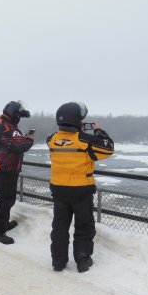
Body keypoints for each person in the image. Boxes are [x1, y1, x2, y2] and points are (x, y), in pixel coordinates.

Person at [46, 102, 114, 273]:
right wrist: (98, 131)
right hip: (81, 190)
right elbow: (108, 148)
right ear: (77, 121)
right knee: (84, 226)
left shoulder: (51, 139)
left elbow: (65, 140)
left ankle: (58, 261)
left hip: (59, 189)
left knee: (60, 226)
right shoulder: (86, 141)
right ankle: (82, 259)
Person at [0, 101, 34, 245]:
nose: (19, 118)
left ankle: (3, 224)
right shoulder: (7, 127)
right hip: (3, 169)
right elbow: (20, 145)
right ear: (14, 114)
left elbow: (13, 142)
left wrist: (22, 137)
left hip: (0, 167)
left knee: (7, 199)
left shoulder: (0, 123)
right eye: (19, 115)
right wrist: (29, 139)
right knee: (4, 200)